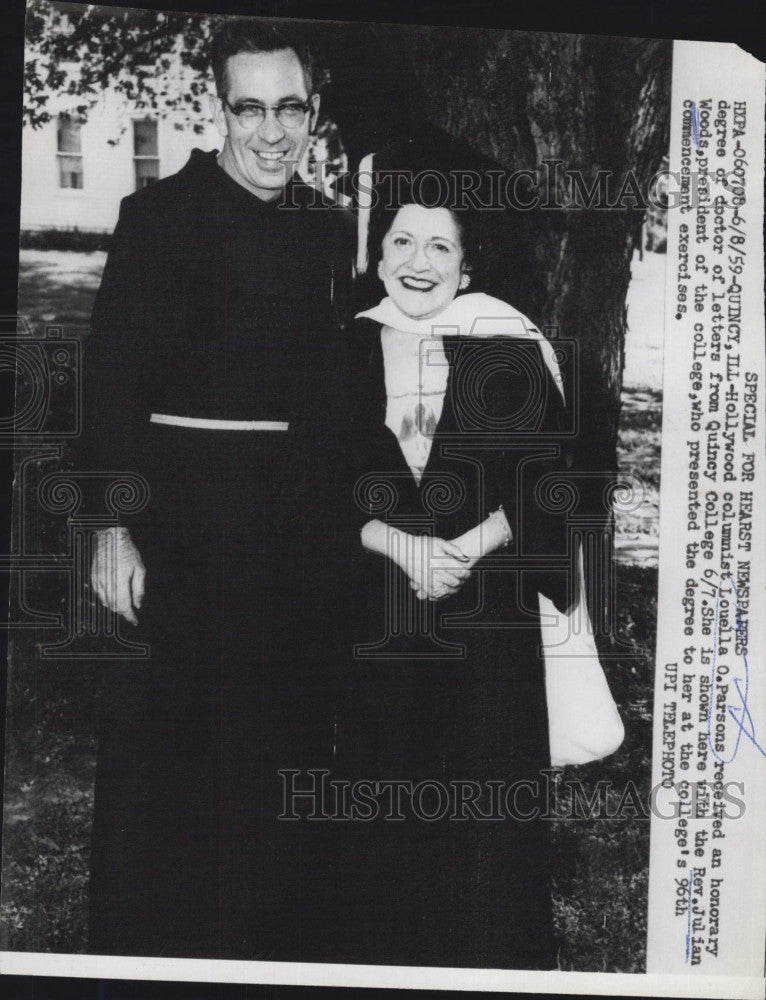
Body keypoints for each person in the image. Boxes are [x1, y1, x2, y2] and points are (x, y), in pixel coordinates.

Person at [81, 18, 354, 959]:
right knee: (172, 761)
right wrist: (114, 529)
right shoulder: (160, 217)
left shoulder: (328, 224)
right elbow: (110, 381)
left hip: (295, 538)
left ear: (314, 112)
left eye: (291, 108)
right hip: (185, 534)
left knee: (278, 751)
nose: (271, 131)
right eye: (251, 108)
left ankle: (267, 949)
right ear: (221, 109)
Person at [326, 179, 572, 969]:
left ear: (467, 267)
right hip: (375, 613)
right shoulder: (343, 346)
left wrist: (465, 548)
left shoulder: (508, 344)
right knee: (383, 802)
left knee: (485, 819)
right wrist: (401, 547)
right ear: (378, 255)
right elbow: (303, 482)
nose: (419, 261)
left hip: (486, 619)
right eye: (402, 241)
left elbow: (549, 483)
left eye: (441, 245)